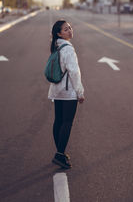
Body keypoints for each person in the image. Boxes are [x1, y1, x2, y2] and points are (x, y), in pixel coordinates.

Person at [48, 20, 84, 169]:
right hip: (68, 91)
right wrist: (80, 92)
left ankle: (60, 152)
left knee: (59, 121)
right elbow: (74, 72)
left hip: (57, 90)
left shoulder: (56, 46)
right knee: (67, 122)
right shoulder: (68, 48)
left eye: (70, 27)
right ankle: (60, 154)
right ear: (59, 33)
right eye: (65, 29)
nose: (70, 30)